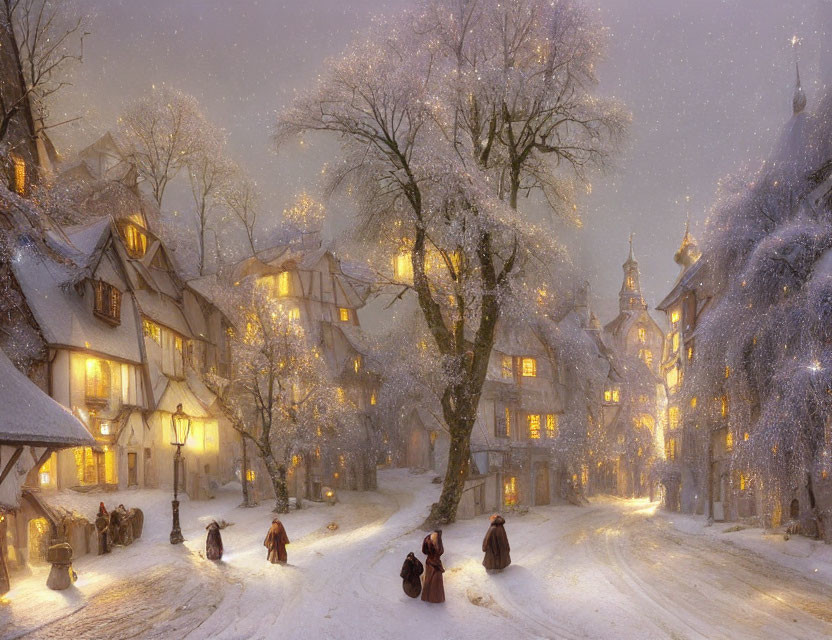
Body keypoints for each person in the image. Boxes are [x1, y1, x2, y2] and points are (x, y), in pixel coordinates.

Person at [420, 529, 445, 603]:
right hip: (435, 563)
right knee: (436, 581)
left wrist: (430, 555)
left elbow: (424, 551)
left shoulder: (427, 538)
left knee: (428, 579)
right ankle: (435, 598)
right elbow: (440, 551)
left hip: (429, 562)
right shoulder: (438, 540)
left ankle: (427, 597)